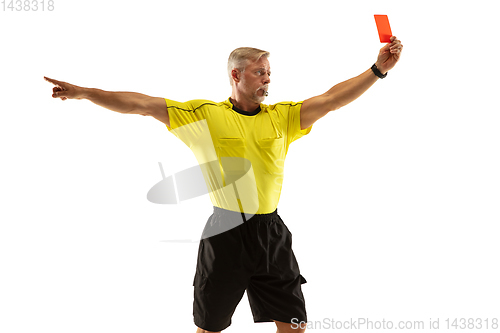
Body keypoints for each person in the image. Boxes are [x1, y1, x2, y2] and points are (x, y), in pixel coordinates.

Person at [44, 36, 403, 333]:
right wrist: (85, 92)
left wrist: (377, 70)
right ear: (236, 74)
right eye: (260, 72)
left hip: (271, 232)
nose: (268, 79)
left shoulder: (284, 117)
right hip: (225, 231)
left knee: (294, 325)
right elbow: (141, 104)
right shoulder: (204, 116)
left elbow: (331, 99)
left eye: (269, 73)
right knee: (209, 327)